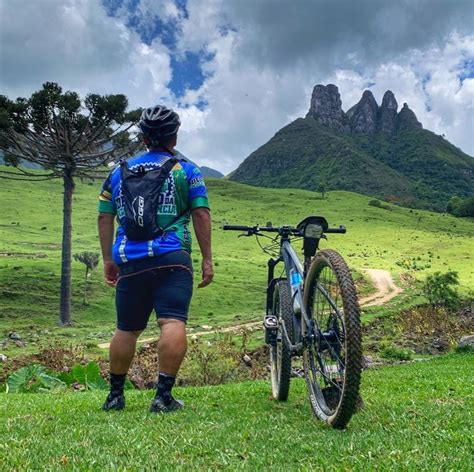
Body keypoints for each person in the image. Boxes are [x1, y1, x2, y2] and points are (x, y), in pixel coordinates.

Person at [97, 105, 213, 413]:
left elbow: (104, 217)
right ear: (174, 137)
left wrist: (108, 259)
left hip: (129, 259)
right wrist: (207, 259)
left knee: (126, 328)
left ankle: (115, 396)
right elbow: (200, 213)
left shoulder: (117, 173)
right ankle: (162, 397)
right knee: (172, 321)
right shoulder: (187, 170)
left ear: (144, 138)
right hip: (172, 257)